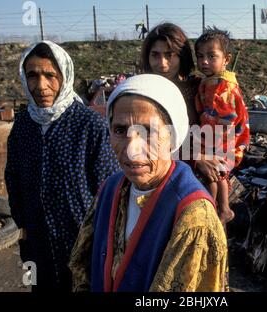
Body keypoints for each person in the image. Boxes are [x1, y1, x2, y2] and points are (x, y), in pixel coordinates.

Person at [69, 74, 228, 292]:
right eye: (120, 130)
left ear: (172, 136)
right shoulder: (111, 189)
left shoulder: (194, 215)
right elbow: (84, 267)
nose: (132, 150)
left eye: (148, 132)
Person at [5, 41, 120, 291]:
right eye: (32, 76)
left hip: (82, 239)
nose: (41, 86)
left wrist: (103, 239)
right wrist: (22, 224)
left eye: (50, 75)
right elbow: (12, 176)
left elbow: (109, 188)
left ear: (65, 76)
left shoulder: (90, 125)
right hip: (37, 239)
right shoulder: (23, 125)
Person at [141, 23, 235, 200]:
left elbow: (224, 128)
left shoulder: (200, 88)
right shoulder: (143, 93)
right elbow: (144, 142)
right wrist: (195, 159)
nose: (162, 63)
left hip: (208, 171)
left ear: (182, 56)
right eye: (155, 55)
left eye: (170, 55)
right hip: (162, 176)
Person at [194, 27, 250, 224]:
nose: (204, 61)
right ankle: (218, 208)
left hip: (223, 139)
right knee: (216, 174)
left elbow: (227, 118)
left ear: (226, 59)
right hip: (214, 137)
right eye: (200, 56)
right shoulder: (209, 81)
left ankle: (222, 209)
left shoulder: (224, 87)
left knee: (215, 174)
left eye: (211, 56)